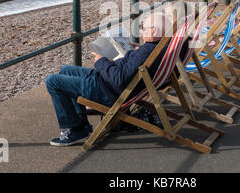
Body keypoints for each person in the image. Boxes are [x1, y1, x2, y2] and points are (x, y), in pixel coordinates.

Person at [45, 12, 172, 146]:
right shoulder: (159, 47)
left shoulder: (146, 51)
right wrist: (115, 61)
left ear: (155, 30)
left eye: (144, 28)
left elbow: (119, 80)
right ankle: (81, 123)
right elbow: (127, 71)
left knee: (52, 81)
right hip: (107, 81)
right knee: (67, 70)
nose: (141, 31)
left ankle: (74, 129)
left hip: (107, 91)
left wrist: (101, 61)